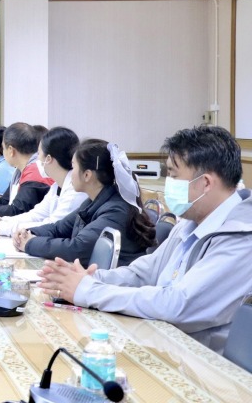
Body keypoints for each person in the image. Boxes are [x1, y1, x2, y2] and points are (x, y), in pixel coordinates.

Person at [37, 126, 252, 353]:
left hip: (205, 367)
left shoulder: (241, 238)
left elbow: (179, 304)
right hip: (165, 344)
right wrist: (91, 278)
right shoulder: (192, 222)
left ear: (205, 183)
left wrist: (89, 291)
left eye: (174, 175)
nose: (169, 182)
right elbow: (144, 272)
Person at [14, 139, 156, 266]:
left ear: (87, 175)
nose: (71, 173)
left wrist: (30, 243)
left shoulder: (116, 209)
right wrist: (28, 232)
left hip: (113, 286)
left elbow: (76, 248)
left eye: (73, 167)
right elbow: (59, 228)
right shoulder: (92, 201)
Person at [0, 127, 88, 237]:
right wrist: (2, 220)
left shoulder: (74, 192)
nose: (37, 159)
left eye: (39, 153)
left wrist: (0, 227)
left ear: (48, 158)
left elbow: (51, 226)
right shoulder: (57, 186)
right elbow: (36, 215)